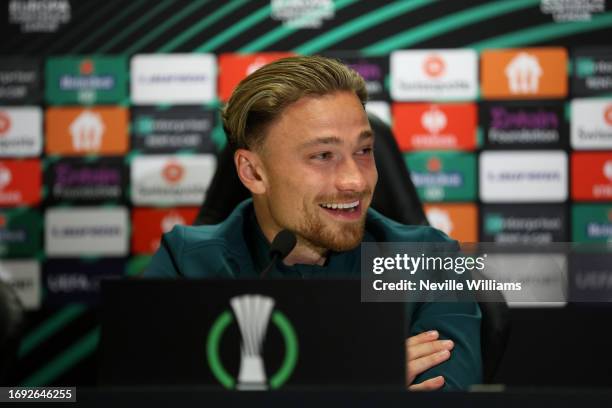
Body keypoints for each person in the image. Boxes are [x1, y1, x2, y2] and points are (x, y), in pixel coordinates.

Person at [144, 55, 482, 390]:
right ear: (253, 172)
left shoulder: (428, 260)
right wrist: (360, 380)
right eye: (323, 156)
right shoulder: (186, 262)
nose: (356, 181)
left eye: (364, 151)